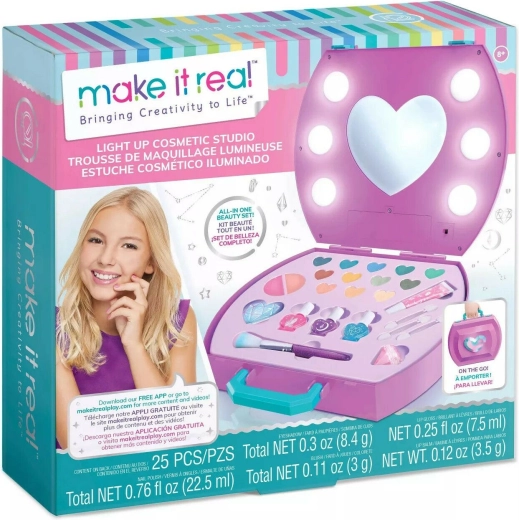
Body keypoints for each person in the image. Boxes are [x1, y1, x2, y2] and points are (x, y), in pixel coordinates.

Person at [55, 187, 197, 449]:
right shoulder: (51, 327)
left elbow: (178, 433)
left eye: (128, 246)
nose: (106, 259)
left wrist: (134, 346)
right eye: (96, 240)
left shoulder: (178, 320)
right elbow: (76, 445)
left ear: (151, 262)